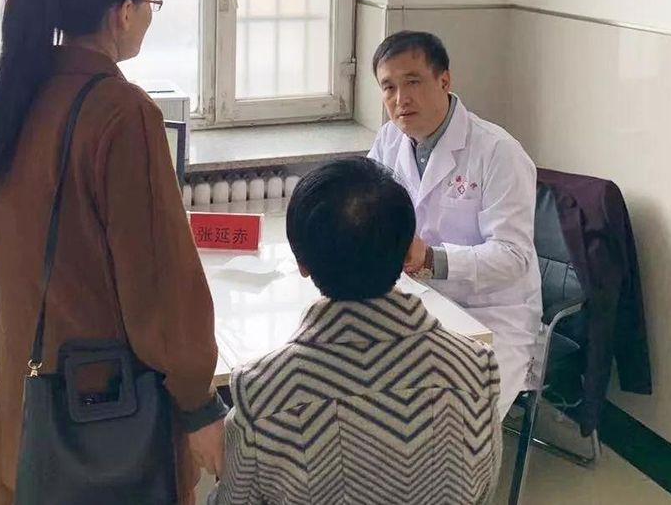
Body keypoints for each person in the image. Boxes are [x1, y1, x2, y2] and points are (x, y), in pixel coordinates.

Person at [0, 0, 225, 505]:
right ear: (122, 12)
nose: (149, 17)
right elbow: (157, 281)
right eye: (150, 2)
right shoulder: (122, 112)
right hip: (105, 426)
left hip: (21, 416)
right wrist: (198, 404)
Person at [212, 157, 502, 505]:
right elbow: (483, 489)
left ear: (301, 263)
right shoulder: (475, 368)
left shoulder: (265, 389)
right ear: (408, 252)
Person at [367, 30, 542, 418]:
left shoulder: (498, 152)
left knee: (458, 422)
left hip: (492, 313)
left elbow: (513, 257)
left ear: (444, 80)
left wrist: (431, 259)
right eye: (389, 87)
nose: (401, 99)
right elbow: (369, 209)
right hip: (415, 300)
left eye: (413, 81)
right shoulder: (389, 140)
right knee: (376, 400)